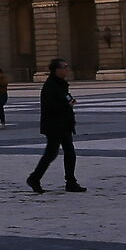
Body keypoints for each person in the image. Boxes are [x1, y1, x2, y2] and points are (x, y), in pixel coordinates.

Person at [28, 59, 84, 193]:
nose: (67, 70)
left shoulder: (61, 84)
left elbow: (64, 99)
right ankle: (34, 178)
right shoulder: (50, 86)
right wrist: (67, 104)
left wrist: (69, 102)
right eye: (64, 67)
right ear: (56, 70)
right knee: (51, 154)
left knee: (69, 153)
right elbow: (50, 107)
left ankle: (70, 182)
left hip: (64, 124)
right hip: (54, 125)